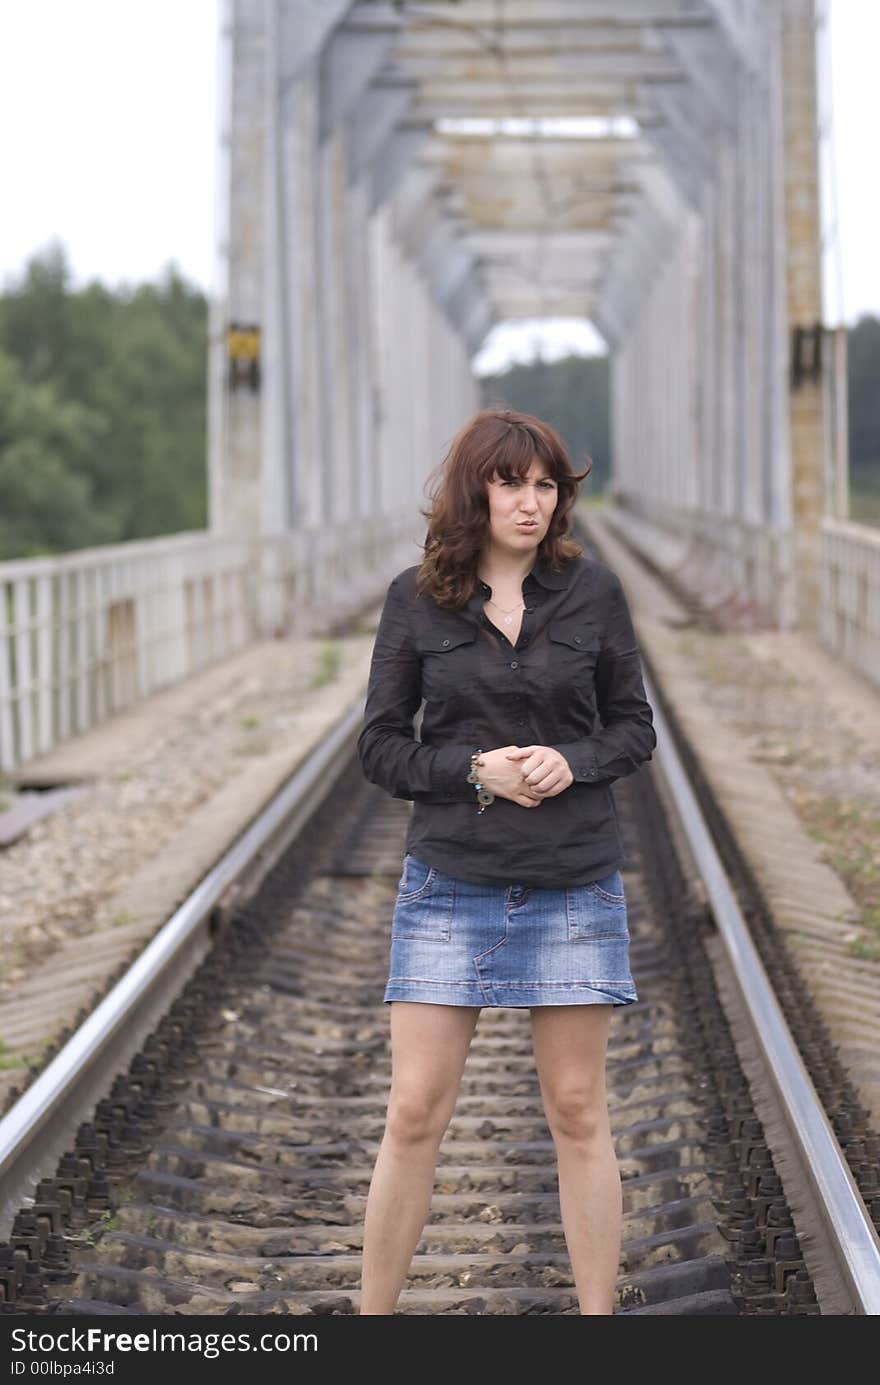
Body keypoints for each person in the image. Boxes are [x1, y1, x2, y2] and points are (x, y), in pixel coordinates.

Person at [355, 407, 656, 1315]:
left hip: (572, 879)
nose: (531, 503)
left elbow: (633, 725)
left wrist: (578, 759)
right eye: (510, 483)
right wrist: (472, 771)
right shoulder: (418, 600)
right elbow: (379, 746)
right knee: (414, 1111)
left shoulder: (593, 593)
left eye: (545, 486)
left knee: (576, 1109)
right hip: (451, 881)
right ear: (474, 491)